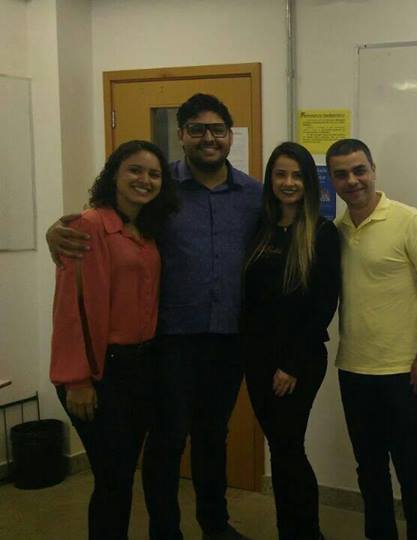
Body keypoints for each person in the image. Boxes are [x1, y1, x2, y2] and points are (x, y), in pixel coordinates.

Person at [47, 94, 261, 540]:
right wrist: (56, 233)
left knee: (213, 438)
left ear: (230, 135)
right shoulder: (163, 191)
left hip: (228, 339)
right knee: (166, 442)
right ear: (182, 135)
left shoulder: (253, 196)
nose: (208, 138)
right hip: (169, 343)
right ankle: (167, 531)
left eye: (217, 129)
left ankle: (215, 525)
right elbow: (103, 225)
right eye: (197, 129)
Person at [50, 140, 179, 539]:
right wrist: (77, 379)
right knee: (112, 479)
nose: (145, 180)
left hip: (140, 367)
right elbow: (71, 308)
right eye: (134, 170)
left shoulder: (146, 230)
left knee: (122, 474)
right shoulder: (89, 226)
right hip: (98, 371)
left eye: (154, 174)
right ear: (114, 176)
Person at [326, 138, 417, 540]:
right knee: (369, 469)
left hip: (405, 370)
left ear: (373, 170)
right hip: (354, 369)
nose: (352, 180)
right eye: (341, 174)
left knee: (413, 467)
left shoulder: (408, 219)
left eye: (359, 170)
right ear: (332, 181)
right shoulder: (336, 231)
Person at [241, 142, 340, 540]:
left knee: (288, 448)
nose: (288, 182)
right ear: (270, 179)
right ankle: (290, 531)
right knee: (281, 448)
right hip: (257, 359)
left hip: (299, 362)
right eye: (280, 174)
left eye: (297, 175)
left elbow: (323, 305)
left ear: (309, 182)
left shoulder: (322, 232)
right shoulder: (259, 227)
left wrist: (292, 365)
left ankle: (307, 532)